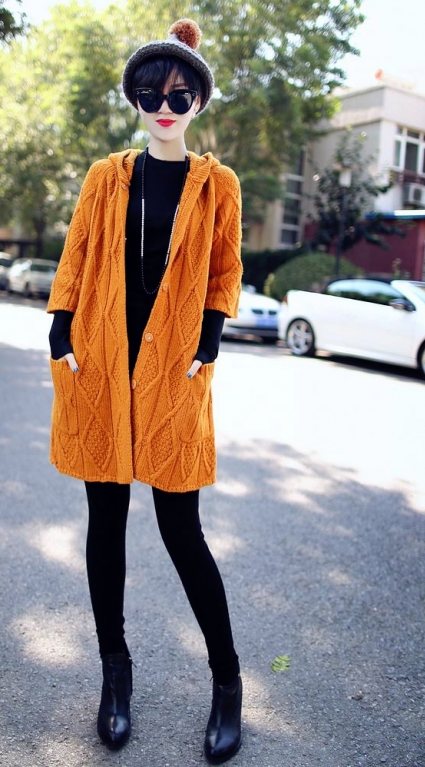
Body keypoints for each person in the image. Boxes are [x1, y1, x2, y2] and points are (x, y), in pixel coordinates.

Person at [47, 19, 243, 764]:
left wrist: (209, 342)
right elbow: (77, 250)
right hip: (101, 360)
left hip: (173, 370)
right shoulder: (107, 176)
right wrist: (60, 328)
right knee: (105, 521)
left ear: (198, 102)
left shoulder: (217, 185)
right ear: (134, 99)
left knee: (180, 528)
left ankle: (227, 679)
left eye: (179, 95)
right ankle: (115, 674)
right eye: (151, 94)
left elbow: (224, 269)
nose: (164, 106)